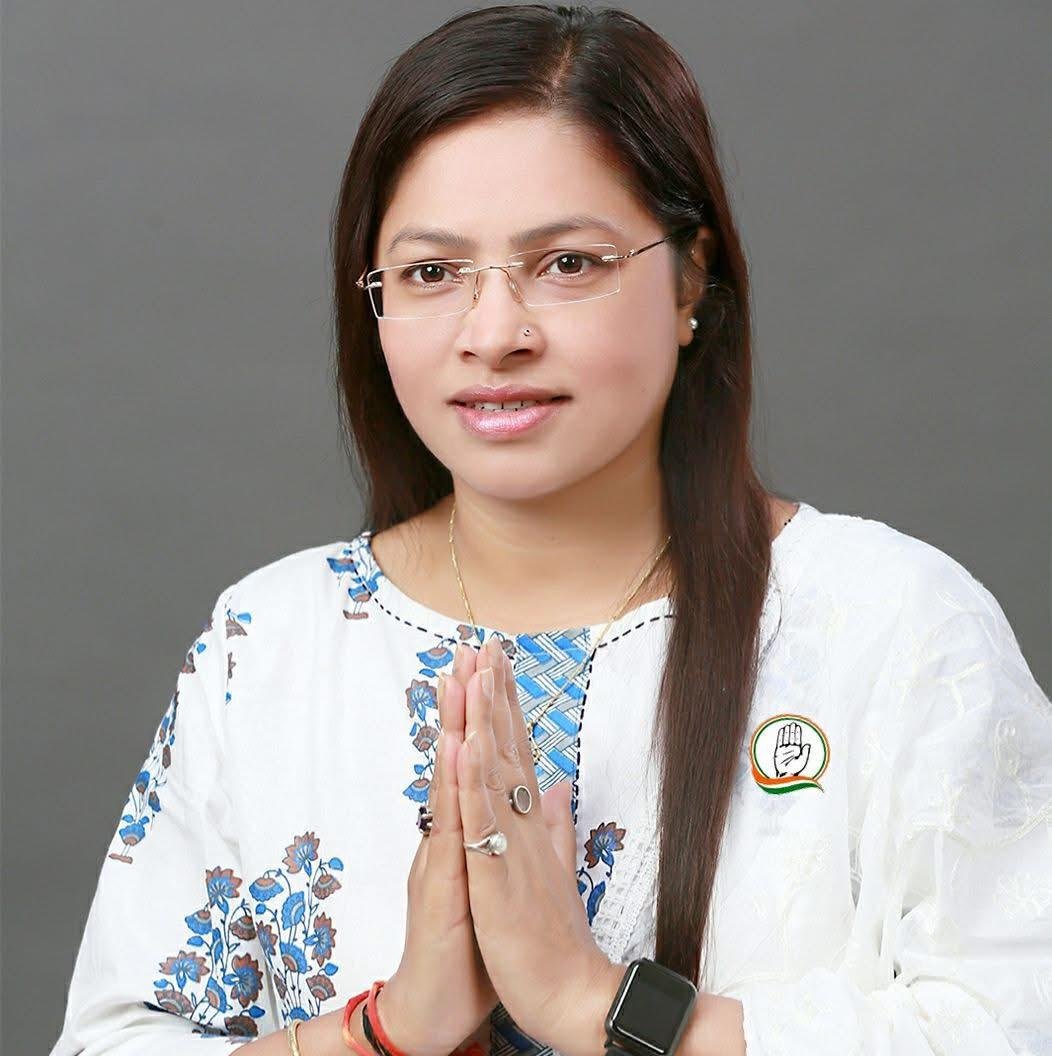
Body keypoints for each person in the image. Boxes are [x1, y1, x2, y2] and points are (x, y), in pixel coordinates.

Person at [51, 4, 1051, 1056]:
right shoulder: (269, 645)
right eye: (432, 273)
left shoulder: (890, 627)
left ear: (691, 278)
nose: (494, 335)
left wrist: (596, 1005)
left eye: (567, 263)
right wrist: (386, 1030)